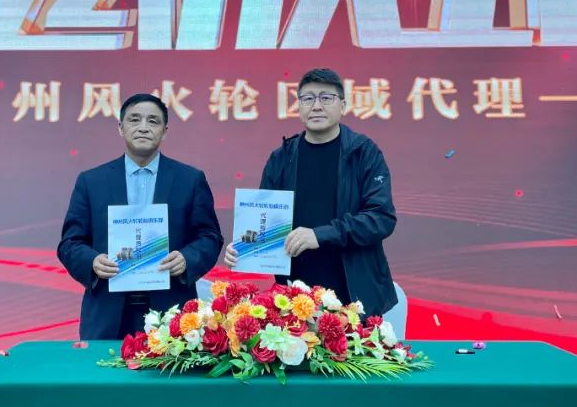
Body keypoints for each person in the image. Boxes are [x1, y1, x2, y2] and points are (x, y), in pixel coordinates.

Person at [224, 68, 398, 316]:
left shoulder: (364, 153)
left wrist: (320, 235)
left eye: (326, 98)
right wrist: (245, 246)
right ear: (299, 106)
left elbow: (381, 218)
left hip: (354, 296)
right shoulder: (282, 157)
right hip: (295, 299)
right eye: (308, 98)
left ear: (343, 105)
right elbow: (265, 221)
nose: (316, 106)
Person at [58, 93, 223, 339]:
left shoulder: (190, 179)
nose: (143, 127)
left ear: (164, 132)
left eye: (153, 121)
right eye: (134, 120)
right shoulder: (91, 181)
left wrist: (187, 259)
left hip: (171, 312)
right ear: (121, 128)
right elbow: (70, 243)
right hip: (107, 313)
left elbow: (209, 236)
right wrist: (92, 261)